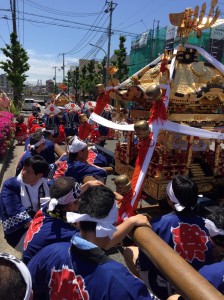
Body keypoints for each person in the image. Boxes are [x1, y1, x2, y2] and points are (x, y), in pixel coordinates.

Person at [27, 185, 152, 300]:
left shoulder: (49, 252)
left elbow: (27, 289)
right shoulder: (120, 281)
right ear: (113, 226)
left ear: (77, 221)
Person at [137, 175, 213, 299]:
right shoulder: (206, 224)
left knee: (132, 252)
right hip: (202, 287)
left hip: (166, 288)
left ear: (170, 200)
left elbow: (145, 262)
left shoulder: (159, 223)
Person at [22, 176, 100, 264]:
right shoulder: (66, 233)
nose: (80, 201)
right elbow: (99, 245)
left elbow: (67, 197)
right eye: (79, 199)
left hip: (29, 262)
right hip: (35, 273)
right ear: (71, 204)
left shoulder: (48, 207)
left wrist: (87, 185)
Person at [0, 155, 49, 251]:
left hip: (39, 225)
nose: (23, 173)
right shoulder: (11, 185)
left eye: (28, 171)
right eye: (23, 168)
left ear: (39, 175)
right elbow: (16, 213)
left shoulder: (45, 184)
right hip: (18, 232)